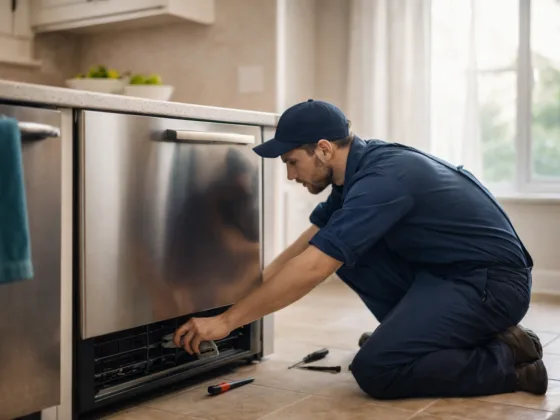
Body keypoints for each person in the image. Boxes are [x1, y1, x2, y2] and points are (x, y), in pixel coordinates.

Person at [173, 99, 548, 399]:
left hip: (491, 285)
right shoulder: (354, 171)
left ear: (322, 149)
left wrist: (226, 323)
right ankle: (411, 340)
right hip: (448, 276)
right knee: (343, 248)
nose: (290, 175)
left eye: (291, 162)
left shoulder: (383, 179)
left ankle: (510, 361)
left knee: (376, 370)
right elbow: (307, 246)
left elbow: (314, 267)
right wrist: (242, 296)